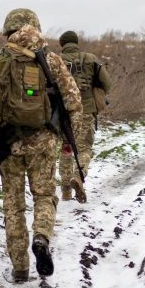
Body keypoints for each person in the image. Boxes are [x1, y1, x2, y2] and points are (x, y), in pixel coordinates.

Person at [0, 9, 83, 282]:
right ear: (36, 28)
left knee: (13, 204)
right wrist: (68, 139)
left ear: (8, 31)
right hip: (43, 143)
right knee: (44, 195)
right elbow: (74, 103)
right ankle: (41, 237)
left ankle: (19, 267)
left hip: (7, 144)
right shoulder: (52, 61)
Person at [57, 30, 113, 203]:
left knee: (66, 148)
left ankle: (66, 190)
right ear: (76, 42)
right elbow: (107, 84)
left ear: (62, 44)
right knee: (84, 148)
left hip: (63, 112)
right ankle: (78, 176)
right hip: (86, 110)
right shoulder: (91, 59)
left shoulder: (55, 60)